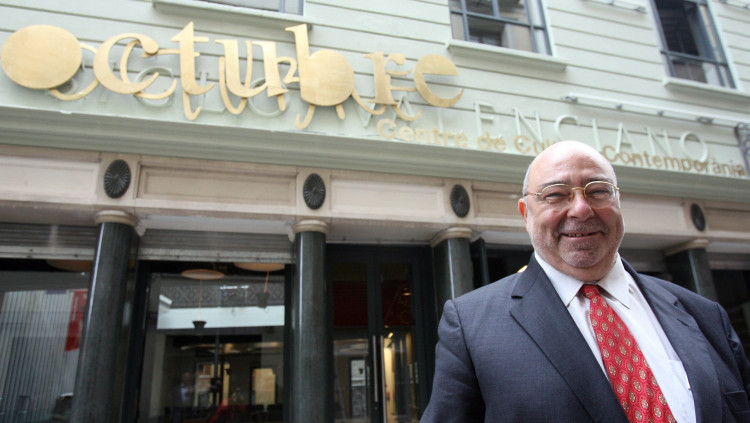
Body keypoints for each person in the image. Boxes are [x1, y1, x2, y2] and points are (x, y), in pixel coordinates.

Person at [422, 140, 750, 422]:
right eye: (555, 194)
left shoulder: (705, 316)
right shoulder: (471, 327)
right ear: (526, 214)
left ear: (618, 201)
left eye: (598, 191)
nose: (581, 209)